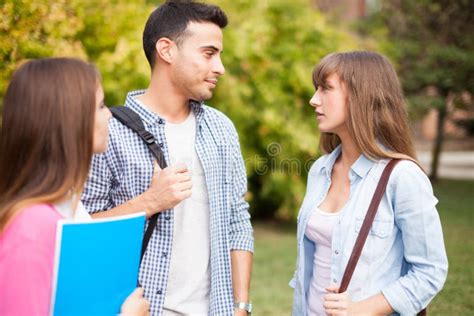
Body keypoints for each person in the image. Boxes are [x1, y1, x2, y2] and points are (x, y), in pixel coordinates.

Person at [81, 1, 254, 315]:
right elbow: (81, 233)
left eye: (220, 55)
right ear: (167, 50)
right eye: (208, 53)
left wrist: (241, 306)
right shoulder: (110, 131)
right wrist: (149, 202)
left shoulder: (221, 128)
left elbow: (238, 220)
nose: (220, 67)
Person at [290, 51, 448, 315]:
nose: (313, 100)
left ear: (361, 97)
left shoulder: (401, 177)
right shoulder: (320, 170)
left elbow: (430, 272)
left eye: (326, 88)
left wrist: (363, 309)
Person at [0, 58, 149, 315]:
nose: (110, 114)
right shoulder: (30, 226)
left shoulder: (69, 207)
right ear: (71, 119)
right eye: (100, 105)